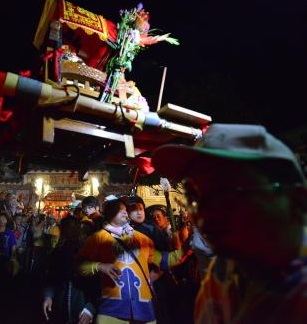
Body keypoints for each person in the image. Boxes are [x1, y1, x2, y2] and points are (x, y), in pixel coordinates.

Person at [152, 123, 307, 323]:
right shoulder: (224, 272)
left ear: (296, 199)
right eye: (193, 196)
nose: (203, 212)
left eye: (225, 192)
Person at [77, 198, 187, 324]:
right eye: (119, 210)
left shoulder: (142, 239)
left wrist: (188, 247)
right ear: (109, 214)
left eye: (125, 210)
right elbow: (79, 265)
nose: (124, 213)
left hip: (144, 311)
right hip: (111, 312)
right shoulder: (97, 238)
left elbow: (164, 261)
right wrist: (100, 266)